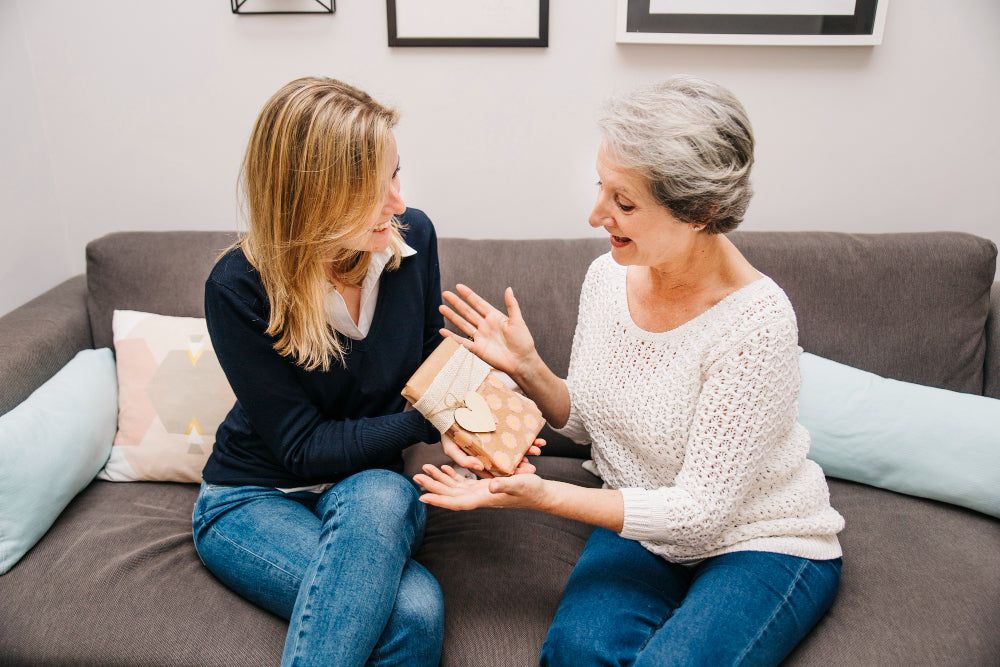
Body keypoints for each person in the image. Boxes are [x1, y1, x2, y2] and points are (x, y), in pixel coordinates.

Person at [415, 75, 846, 667]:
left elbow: (698, 517)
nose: (596, 215)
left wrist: (543, 497)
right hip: (646, 525)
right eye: (601, 188)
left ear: (703, 210)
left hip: (761, 540)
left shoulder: (758, 324)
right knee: (574, 654)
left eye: (624, 203)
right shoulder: (608, 277)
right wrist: (529, 367)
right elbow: (588, 421)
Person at [191, 76, 448, 667]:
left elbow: (431, 363)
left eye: (395, 173)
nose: (399, 202)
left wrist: (493, 415)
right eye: (375, 187)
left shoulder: (414, 241)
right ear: (315, 197)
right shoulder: (238, 287)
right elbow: (303, 447)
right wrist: (427, 420)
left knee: (384, 489)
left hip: (369, 492)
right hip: (252, 497)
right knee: (416, 609)